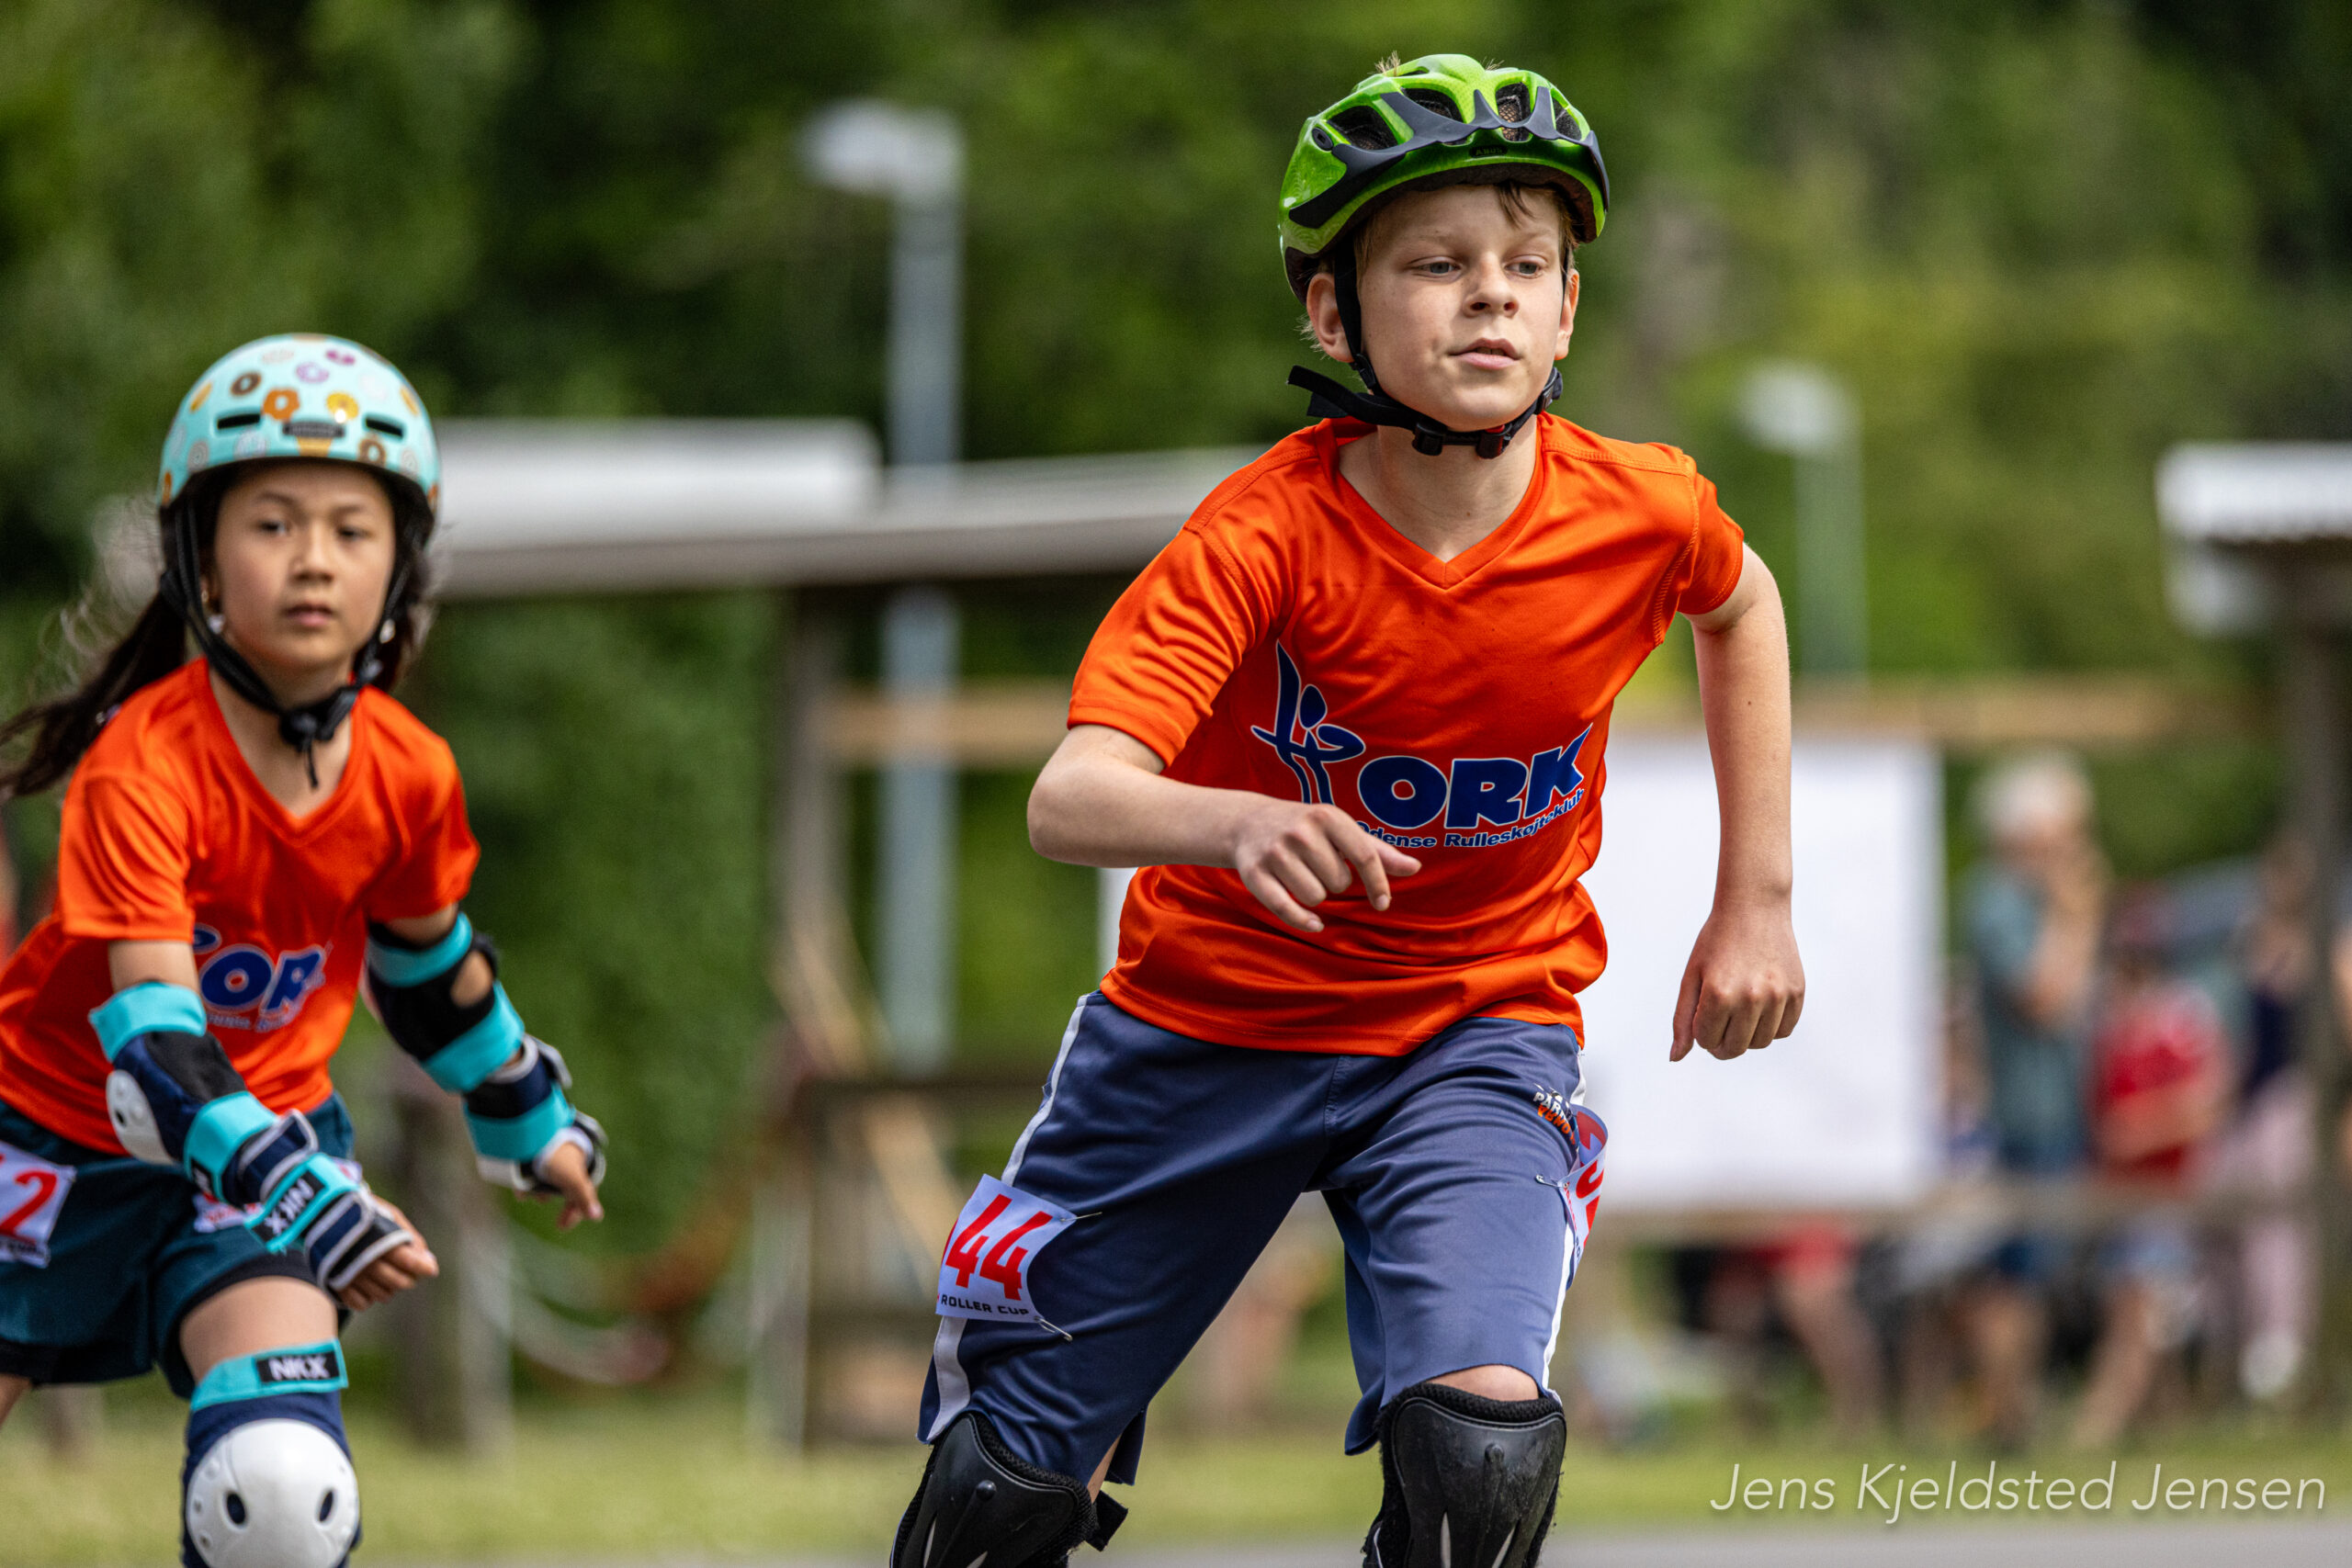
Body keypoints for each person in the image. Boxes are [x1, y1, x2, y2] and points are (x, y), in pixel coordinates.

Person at [892, 54, 1804, 1568]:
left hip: (1473, 1023)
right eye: (1437, 265)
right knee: (1003, 1497)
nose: (1491, 294)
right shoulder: (1260, 536)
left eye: (1527, 265)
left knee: (1482, 1452)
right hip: (1208, 1026)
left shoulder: (1637, 510)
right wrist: (1231, 823)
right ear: (1333, 313)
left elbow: (1744, 601)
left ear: (1570, 310)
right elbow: (1072, 795)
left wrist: (1755, 899)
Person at [0, 335, 607, 1568]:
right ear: (201, 560)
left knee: (279, 1491)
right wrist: (306, 1195)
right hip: (52, 1139)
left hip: (257, 1151)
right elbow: (155, 1058)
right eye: (272, 523)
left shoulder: (407, 770)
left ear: (401, 567)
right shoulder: (141, 764)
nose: (315, 558)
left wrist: (522, 1112)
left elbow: (428, 973)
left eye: (352, 528)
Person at [1957, 750, 2104, 1448]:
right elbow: (2046, 998)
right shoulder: (1997, 901)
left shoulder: (2031, 902)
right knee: (2013, 1275)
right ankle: (2005, 1417)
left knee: (2030, 1273)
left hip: (2059, 1115)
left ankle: (2017, 1415)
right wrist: (2078, 918)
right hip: (2025, 1117)